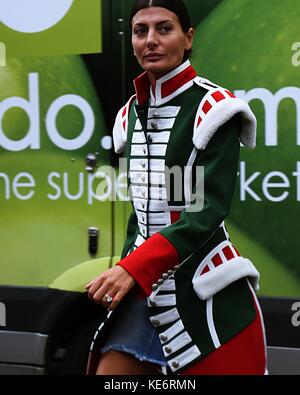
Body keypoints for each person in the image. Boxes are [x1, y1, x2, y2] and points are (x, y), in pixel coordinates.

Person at [85, 0, 267, 375]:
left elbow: (205, 214)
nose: (150, 40)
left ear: (188, 38)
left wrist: (132, 268)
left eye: (164, 29)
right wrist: (127, 267)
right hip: (144, 291)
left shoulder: (215, 109)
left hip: (203, 287)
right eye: (141, 31)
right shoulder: (128, 115)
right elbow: (140, 214)